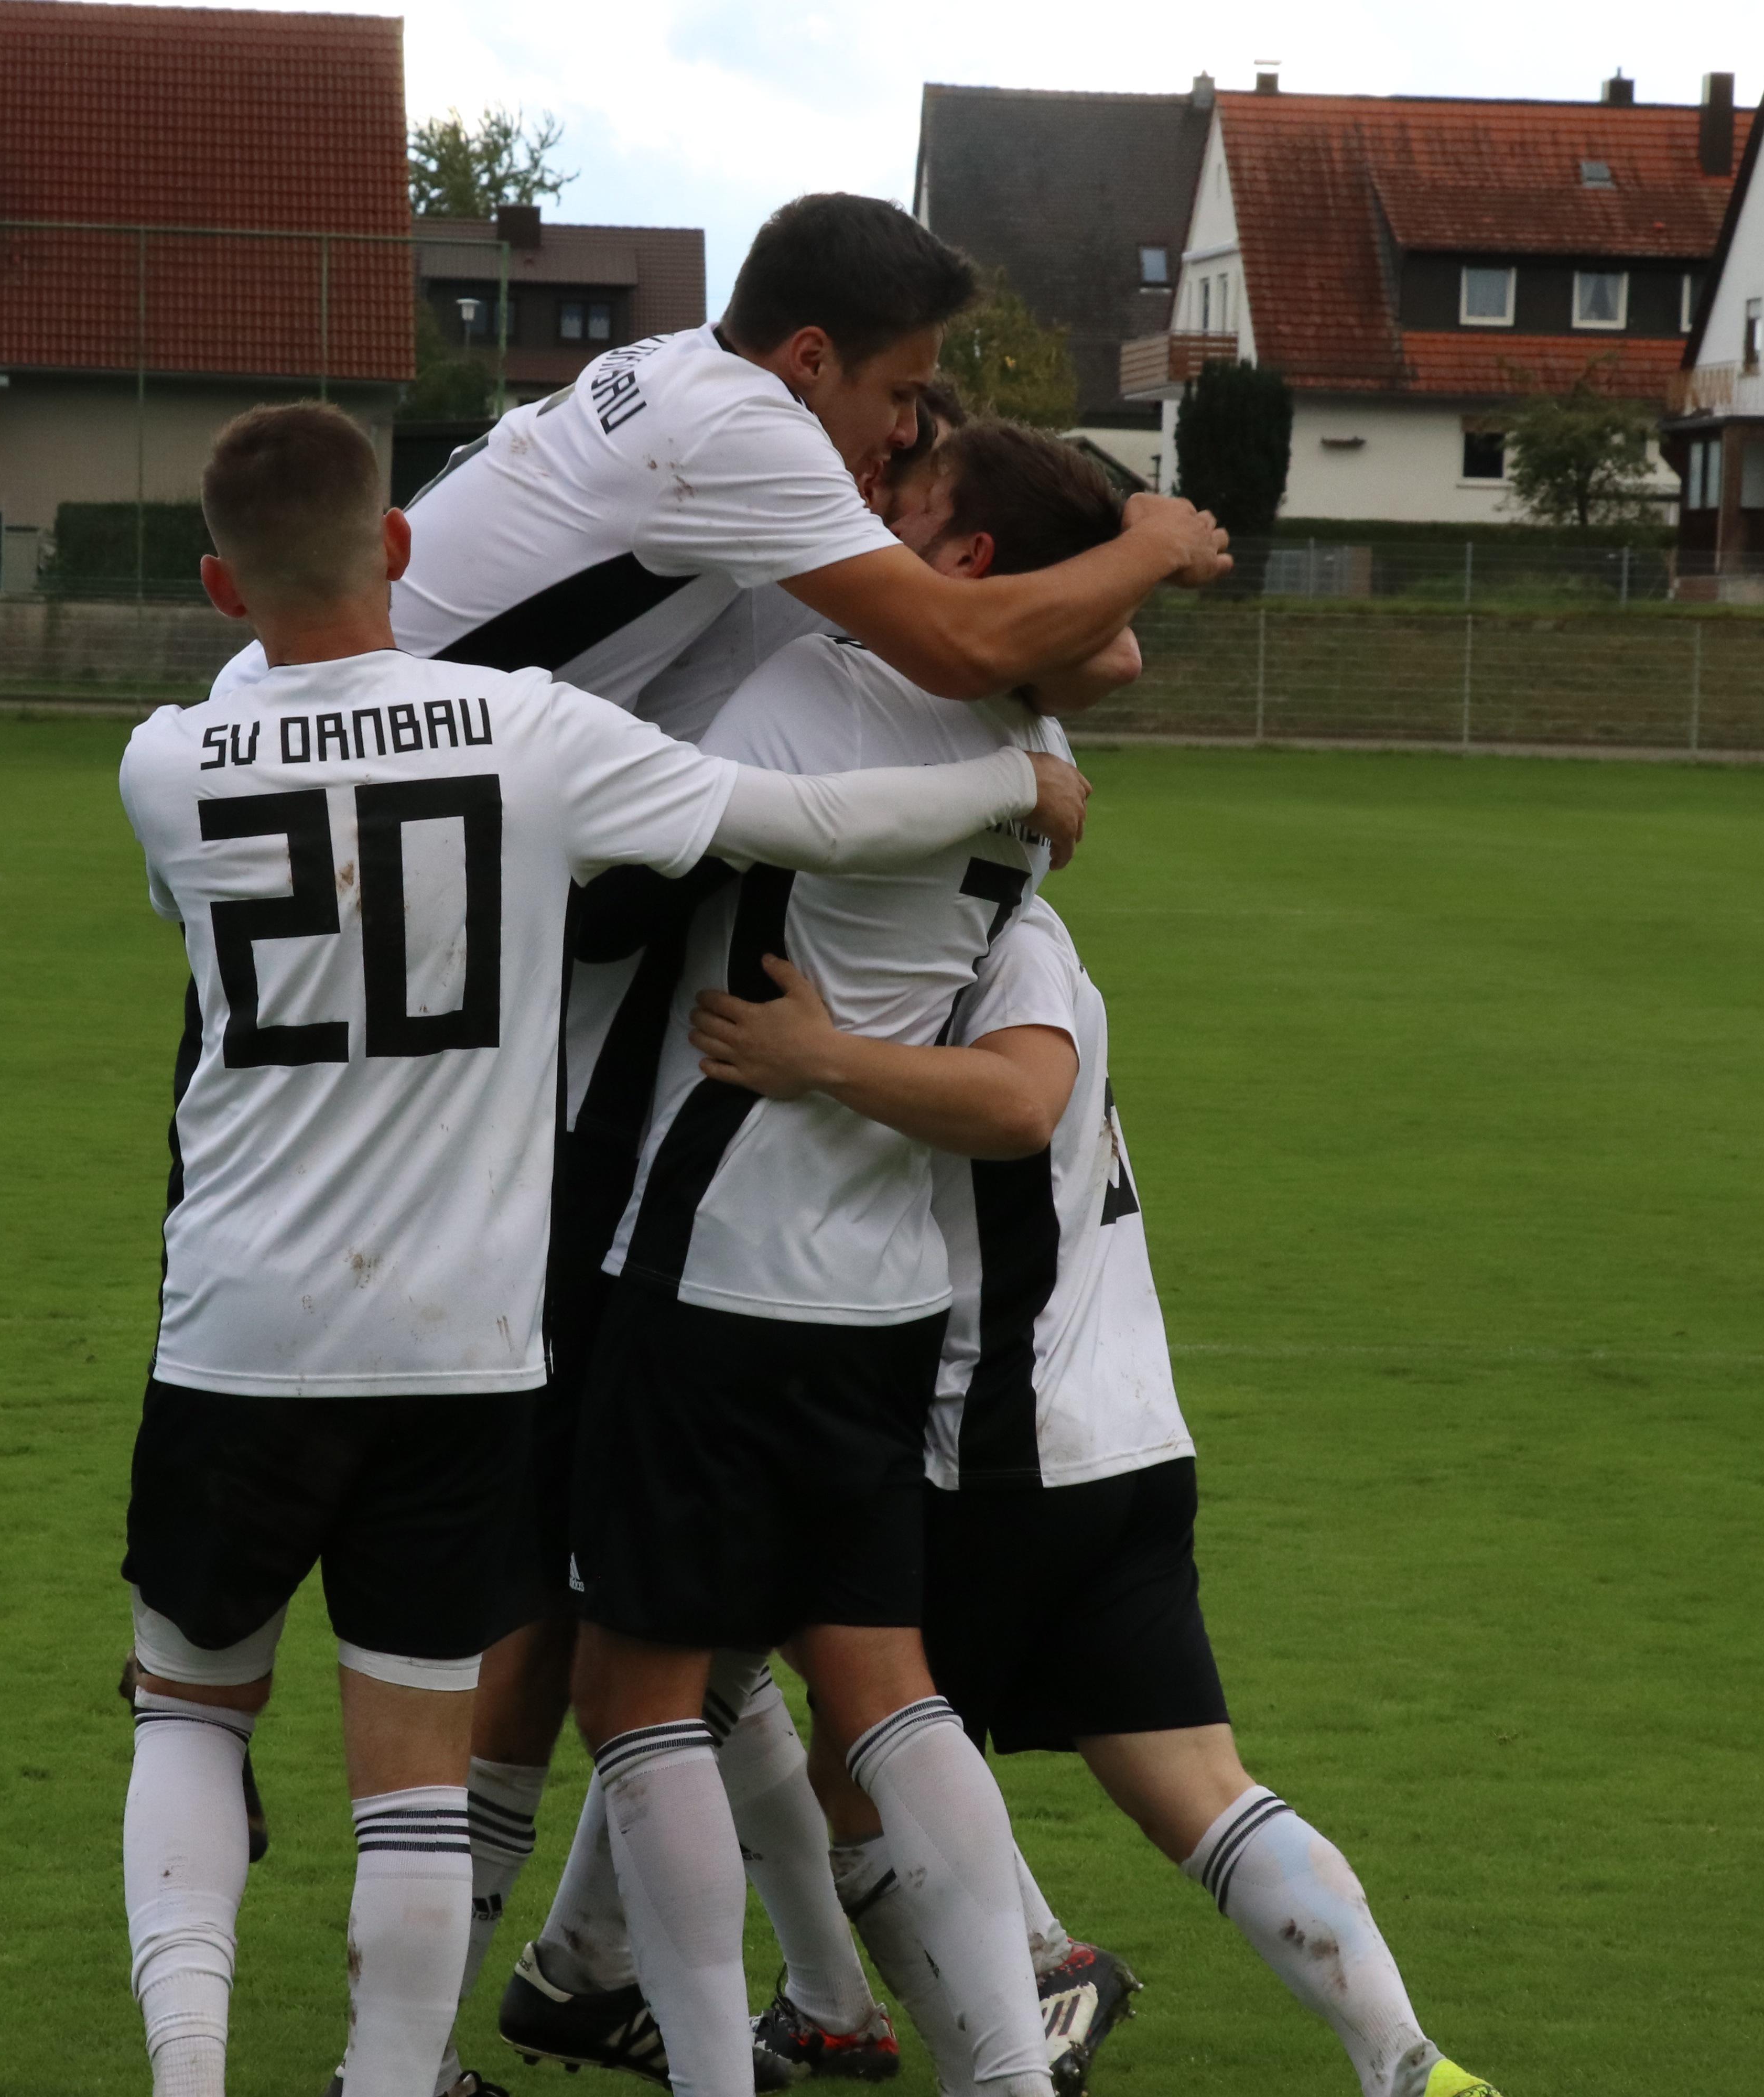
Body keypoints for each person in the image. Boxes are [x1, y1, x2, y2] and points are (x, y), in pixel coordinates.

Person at [112, 402, 1090, 2097]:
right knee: (414, 1781)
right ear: (401, 551)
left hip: (237, 1326)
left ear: (217, 584)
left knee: (192, 1712)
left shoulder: (161, 763)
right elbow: (803, 824)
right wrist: (1017, 776)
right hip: (464, 1346)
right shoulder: (534, 734)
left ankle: (188, 2082)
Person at [394, 199, 1220, 2097]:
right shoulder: (935, 678)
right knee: (853, 1669)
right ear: (809, 367)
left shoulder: (811, 668)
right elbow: (1049, 659)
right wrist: (1122, 589)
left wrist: (1098, 584)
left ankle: (571, 2034)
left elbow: (947, 659)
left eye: (928, 450)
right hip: (877, 1293)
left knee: (612, 1667)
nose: (896, 454)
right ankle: (989, 2021)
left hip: (665, 1239)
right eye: (903, 400)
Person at [681, 892, 1508, 2097]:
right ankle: (1411, 2066)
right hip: (1127, 1441)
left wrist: (816, 1054)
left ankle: (985, 2038)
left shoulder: (999, 947)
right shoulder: (1027, 934)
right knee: (1199, 1784)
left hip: (999, 1451)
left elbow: (1019, 1104)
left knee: (858, 1777)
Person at [552, 421, 1142, 2097]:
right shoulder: (1026, 741)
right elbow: (1095, 639)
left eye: (907, 509)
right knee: (883, 1687)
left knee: (640, 1695)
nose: (863, 523)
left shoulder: (817, 695)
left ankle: (714, 2076)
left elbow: (656, 822)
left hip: (720, 1264)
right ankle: (1010, 2068)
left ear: (962, 571)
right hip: (884, 1295)